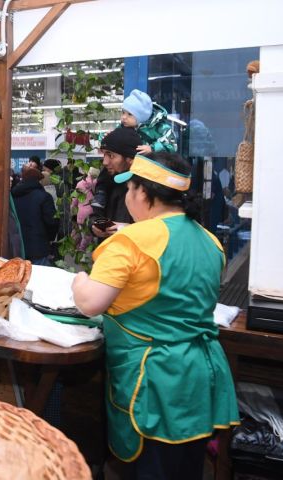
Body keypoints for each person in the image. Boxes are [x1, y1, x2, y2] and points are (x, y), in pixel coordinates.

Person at [71, 152, 238, 479]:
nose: (127, 197)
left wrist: (80, 280)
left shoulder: (131, 241)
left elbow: (90, 303)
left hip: (153, 384)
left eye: (130, 189)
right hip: (200, 378)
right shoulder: (211, 242)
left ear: (144, 193)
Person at [91, 127, 141, 239]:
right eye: (104, 155)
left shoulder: (149, 188)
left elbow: (159, 230)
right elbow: (96, 213)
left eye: (111, 155)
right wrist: (95, 225)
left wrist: (128, 230)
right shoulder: (106, 182)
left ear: (130, 158)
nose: (105, 162)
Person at [12, 163, 59, 265]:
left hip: (18, 246)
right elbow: (52, 221)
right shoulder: (44, 197)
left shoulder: (13, 196)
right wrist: (50, 239)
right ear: (39, 180)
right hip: (39, 247)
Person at [121, 89, 177, 155]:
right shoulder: (124, 127)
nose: (123, 117)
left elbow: (172, 147)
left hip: (154, 164)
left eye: (129, 114)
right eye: (123, 112)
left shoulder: (162, 128)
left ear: (141, 116)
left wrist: (152, 148)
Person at [70, 167, 99, 251]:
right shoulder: (98, 184)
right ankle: (81, 250)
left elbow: (74, 200)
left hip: (80, 213)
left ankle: (82, 249)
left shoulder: (80, 184)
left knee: (85, 233)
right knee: (88, 235)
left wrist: (72, 211)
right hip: (92, 213)